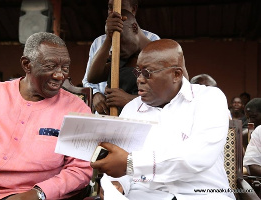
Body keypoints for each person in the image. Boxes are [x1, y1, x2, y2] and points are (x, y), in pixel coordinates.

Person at [91, 39, 234, 200]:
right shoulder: (132, 109)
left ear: (176, 74)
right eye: (137, 72)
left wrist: (131, 163)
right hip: (145, 196)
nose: (139, 79)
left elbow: (197, 156)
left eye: (147, 73)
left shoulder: (209, 99)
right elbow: (120, 162)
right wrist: (118, 184)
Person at [0, 32, 92, 200]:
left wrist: (38, 193)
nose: (60, 75)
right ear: (26, 64)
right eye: (50, 66)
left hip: (27, 195)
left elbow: (79, 170)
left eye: (65, 68)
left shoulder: (77, 110)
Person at [82, 0, 160, 115]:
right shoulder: (119, 56)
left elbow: (165, 96)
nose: (115, 48)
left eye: (121, 41)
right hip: (111, 118)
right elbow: (92, 78)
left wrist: (128, 99)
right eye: (110, 8)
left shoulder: (158, 48)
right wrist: (108, 38)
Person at [243, 98, 261, 176]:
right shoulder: (257, 131)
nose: (250, 121)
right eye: (248, 118)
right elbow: (251, 164)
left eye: (253, 117)